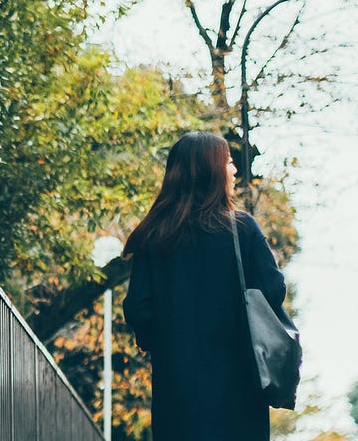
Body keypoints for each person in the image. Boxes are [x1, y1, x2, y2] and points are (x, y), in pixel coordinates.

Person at [121, 131, 288, 441]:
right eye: (227, 161)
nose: (234, 169)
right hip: (239, 390)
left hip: (178, 393)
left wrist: (163, 341)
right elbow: (274, 290)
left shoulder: (154, 236)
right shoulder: (241, 229)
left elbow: (138, 308)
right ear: (210, 171)